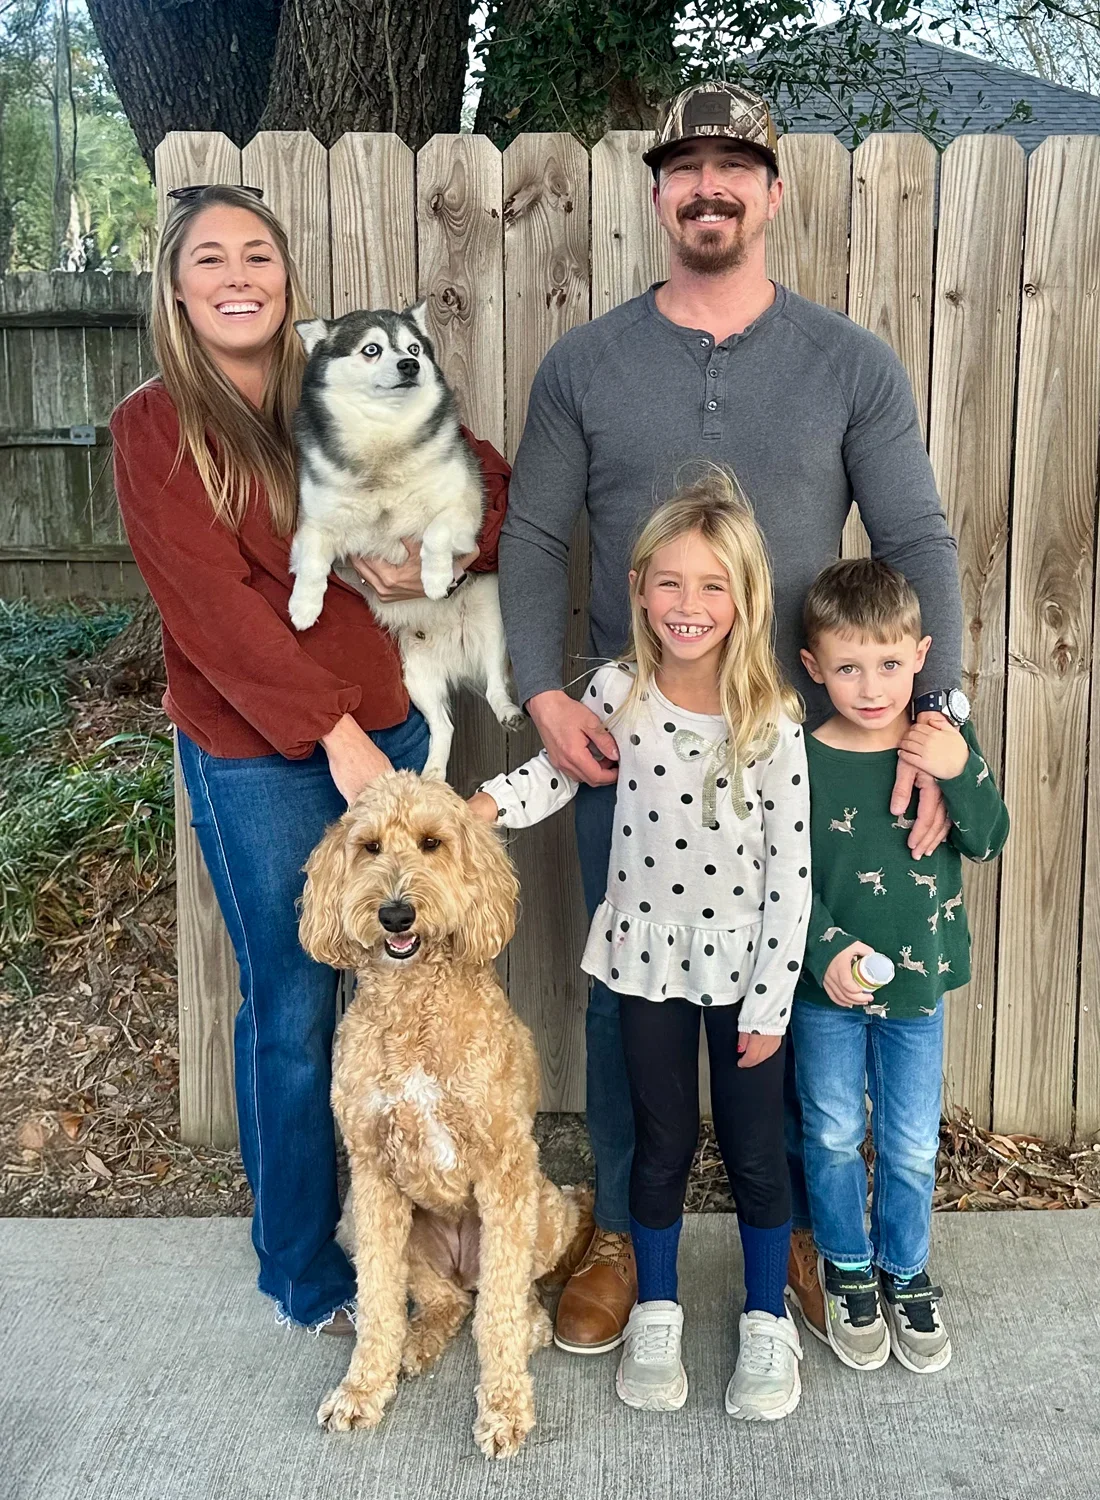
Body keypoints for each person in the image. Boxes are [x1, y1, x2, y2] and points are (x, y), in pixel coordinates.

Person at [498, 78, 965, 1351]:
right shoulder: (584, 364)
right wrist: (542, 690)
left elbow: (915, 533)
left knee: (800, 990)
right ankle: (612, 1231)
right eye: (685, 167)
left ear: (768, 192)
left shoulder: (846, 362)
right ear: (658, 193)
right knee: (619, 995)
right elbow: (535, 536)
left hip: (800, 755)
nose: (708, 187)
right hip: (625, 744)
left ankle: (807, 1234)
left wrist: (939, 719)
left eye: (734, 167)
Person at [109, 184, 510, 1333]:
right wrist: (333, 740)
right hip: (261, 751)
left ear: (286, 277)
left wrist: (435, 549)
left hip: (384, 721)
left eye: (258, 255)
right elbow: (211, 611)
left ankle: (399, 1227)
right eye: (210, 260)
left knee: (400, 995)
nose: (238, 276)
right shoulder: (156, 425)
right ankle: (305, 1268)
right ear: (177, 288)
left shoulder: (336, 375)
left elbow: (482, 469)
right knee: (290, 1004)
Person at [472, 473, 811, 1417]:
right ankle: (656, 1309)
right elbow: (552, 771)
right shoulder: (617, 692)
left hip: (746, 973)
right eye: (670, 583)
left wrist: (774, 1001)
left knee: (752, 1153)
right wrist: (481, 808)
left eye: (711, 587)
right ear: (636, 588)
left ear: (744, 598)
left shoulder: (771, 722)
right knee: (661, 1143)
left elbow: (793, 877)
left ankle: (763, 1321)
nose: (689, 606)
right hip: (645, 964)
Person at [794, 558, 1008, 1373]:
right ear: (814, 668)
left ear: (920, 655)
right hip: (826, 992)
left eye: (888, 664)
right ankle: (848, 1268)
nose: (871, 684)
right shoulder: (802, 759)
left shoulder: (946, 745)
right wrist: (822, 950)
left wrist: (960, 770)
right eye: (848, 667)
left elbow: (988, 838)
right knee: (835, 1132)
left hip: (918, 990)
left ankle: (905, 1269)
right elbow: (782, 880)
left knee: (913, 1143)